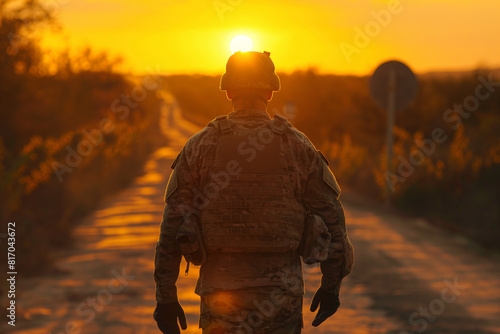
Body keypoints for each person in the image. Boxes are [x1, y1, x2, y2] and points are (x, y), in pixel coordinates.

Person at [153, 51, 354, 334]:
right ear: (270, 92)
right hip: (280, 297)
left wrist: (166, 299)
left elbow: (172, 227)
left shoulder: (200, 145)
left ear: (229, 91)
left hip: (221, 296)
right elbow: (332, 218)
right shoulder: (298, 145)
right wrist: (331, 287)